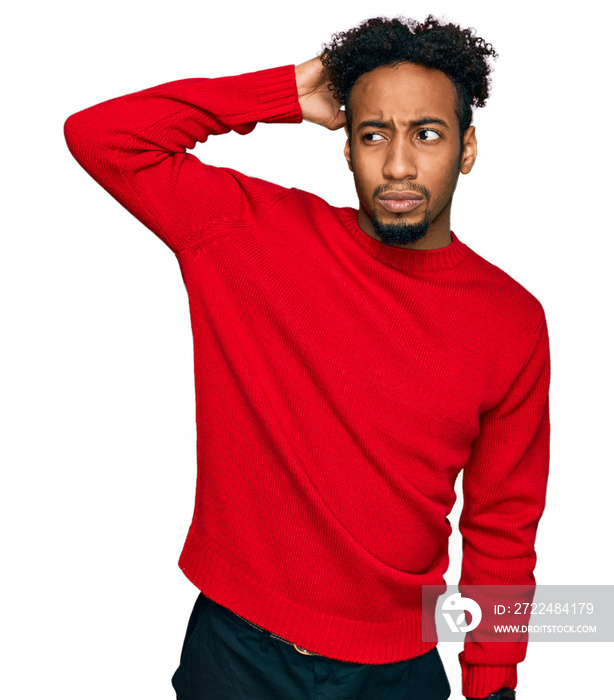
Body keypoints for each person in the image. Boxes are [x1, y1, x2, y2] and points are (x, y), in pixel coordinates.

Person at [64, 15, 549, 700]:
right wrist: (288, 91)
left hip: (395, 669)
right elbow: (104, 138)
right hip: (237, 653)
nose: (400, 164)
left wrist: (493, 684)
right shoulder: (248, 234)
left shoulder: (512, 321)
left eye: (428, 134)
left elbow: (503, 525)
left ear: (467, 149)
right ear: (347, 147)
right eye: (373, 133)